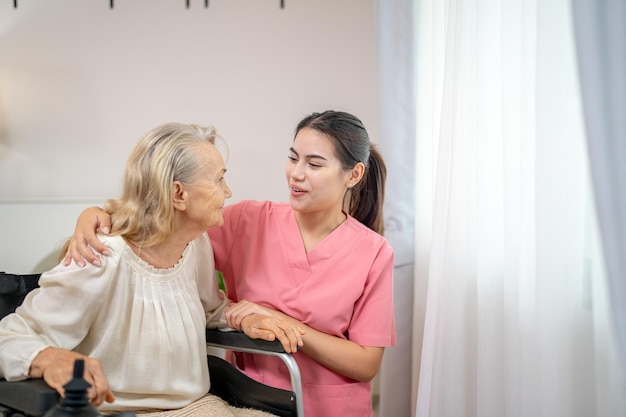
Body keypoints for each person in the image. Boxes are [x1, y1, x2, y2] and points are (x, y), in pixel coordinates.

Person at [65, 110, 397, 417]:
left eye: (314, 164)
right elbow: (163, 226)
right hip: (250, 397)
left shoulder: (374, 252)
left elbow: (366, 362)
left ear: (353, 174)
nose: (296, 174)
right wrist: (98, 215)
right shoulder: (247, 221)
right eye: (293, 158)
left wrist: (282, 321)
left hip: (334, 407)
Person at [0, 122, 301, 417]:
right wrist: (49, 358)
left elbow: (207, 309)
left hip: (199, 406)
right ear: (178, 194)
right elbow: (9, 337)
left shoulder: (195, 245)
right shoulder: (102, 257)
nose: (229, 191)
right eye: (219, 179)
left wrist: (242, 319)